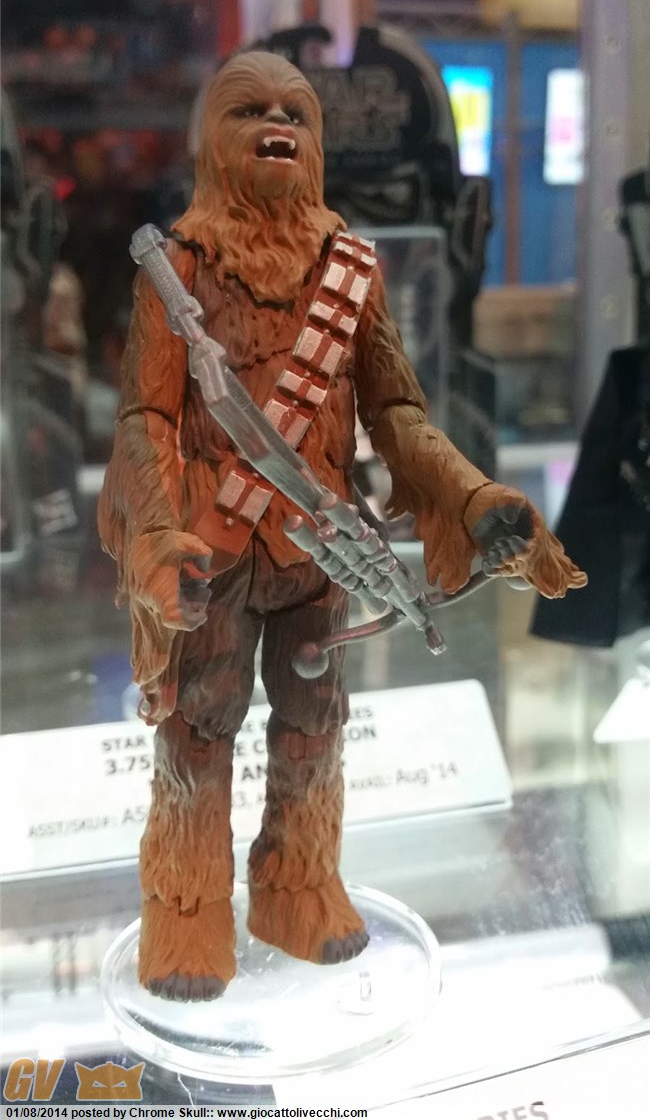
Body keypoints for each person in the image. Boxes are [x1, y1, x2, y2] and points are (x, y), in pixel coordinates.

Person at [98, 52, 585, 1002]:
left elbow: (397, 412)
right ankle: (186, 910)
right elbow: (144, 418)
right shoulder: (176, 267)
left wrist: (471, 496)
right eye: (251, 109)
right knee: (198, 730)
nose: (277, 124)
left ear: (318, 142)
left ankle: (300, 886)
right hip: (210, 548)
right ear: (212, 139)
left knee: (316, 724)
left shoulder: (350, 268)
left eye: (296, 112)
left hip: (320, 545)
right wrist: (156, 538)